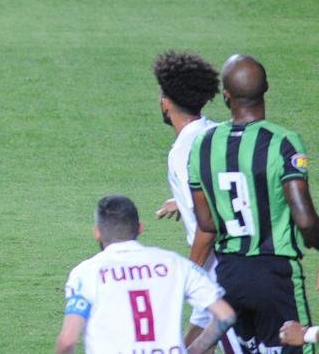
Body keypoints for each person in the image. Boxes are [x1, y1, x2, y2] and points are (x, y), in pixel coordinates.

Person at [189, 54, 319, 353]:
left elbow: (206, 223)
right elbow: (306, 220)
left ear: (226, 96)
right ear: (266, 89)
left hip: (230, 275)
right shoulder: (283, 142)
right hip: (275, 275)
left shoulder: (202, 145)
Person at [55, 195, 236, 354]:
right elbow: (226, 315)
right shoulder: (175, 264)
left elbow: (67, 340)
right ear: (140, 228)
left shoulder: (86, 272)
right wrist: (194, 350)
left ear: (96, 233)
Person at [152, 51, 240, 353]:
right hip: (239, 262)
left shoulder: (182, 152)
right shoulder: (217, 131)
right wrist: (182, 200)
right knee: (193, 346)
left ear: (166, 103)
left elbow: (208, 226)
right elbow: (226, 185)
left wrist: (189, 274)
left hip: (221, 270)